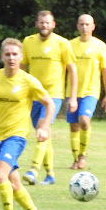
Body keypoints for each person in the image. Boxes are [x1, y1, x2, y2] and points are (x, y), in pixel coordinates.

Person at [0, 38, 53, 210]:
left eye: (15, 54)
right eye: (8, 54)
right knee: (14, 183)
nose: (11, 58)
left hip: (16, 136)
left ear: (21, 57)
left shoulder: (28, 81)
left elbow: (49, 103)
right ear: (2, 56)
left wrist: (44, 125)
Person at [21, 10, 78, 185]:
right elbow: (22, 69)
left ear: (53, 25)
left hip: (53, 95)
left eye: (48, 23)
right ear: (37, 24)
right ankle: (51, 174)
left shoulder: (62, 43)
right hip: (33, 95)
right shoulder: (28, 42)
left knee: (42, 128)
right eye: (41, 22)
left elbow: (72, 70)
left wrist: (73, 96)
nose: (44, 25)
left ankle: (33, 170)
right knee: (44, 134)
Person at [68, 14, 106, 170]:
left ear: (93, 26)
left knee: (84, 120)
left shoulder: (100, 46)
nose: (84, 27)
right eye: (82, 24)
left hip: (91, 91)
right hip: (72, 92)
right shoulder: (69, 45)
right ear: (77, 26)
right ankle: (75, 159)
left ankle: (82, 156)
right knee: (73, 126)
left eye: (87, 24)